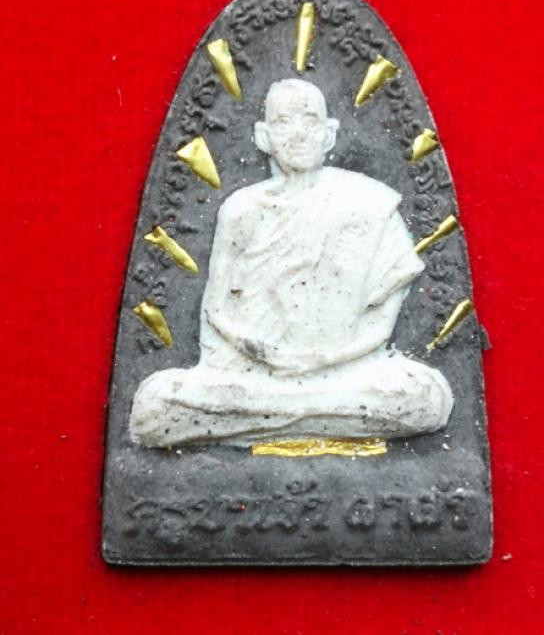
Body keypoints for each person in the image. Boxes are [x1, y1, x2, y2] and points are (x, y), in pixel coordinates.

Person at [130, 79, 453, 447]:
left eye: (310, 121)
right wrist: (262, 354)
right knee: (153, 408)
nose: (298, 134)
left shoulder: (369, 205)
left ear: (329, 134)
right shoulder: (241, 210)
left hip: (343, 374)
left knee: (425, 397)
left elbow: (380, 330)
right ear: (263, 136)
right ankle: (309, 416)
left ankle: (273, 418)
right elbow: (215, 312)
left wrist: (320, 361)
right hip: (251, 376)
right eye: (283, 122)